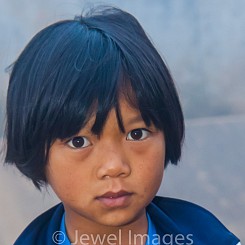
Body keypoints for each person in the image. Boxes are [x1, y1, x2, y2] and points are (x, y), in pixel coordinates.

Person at [5, 6, 240, 245]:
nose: (114, 166)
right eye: (79, 141)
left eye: (136, 134)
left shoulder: (206, 235)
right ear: (36, 150)